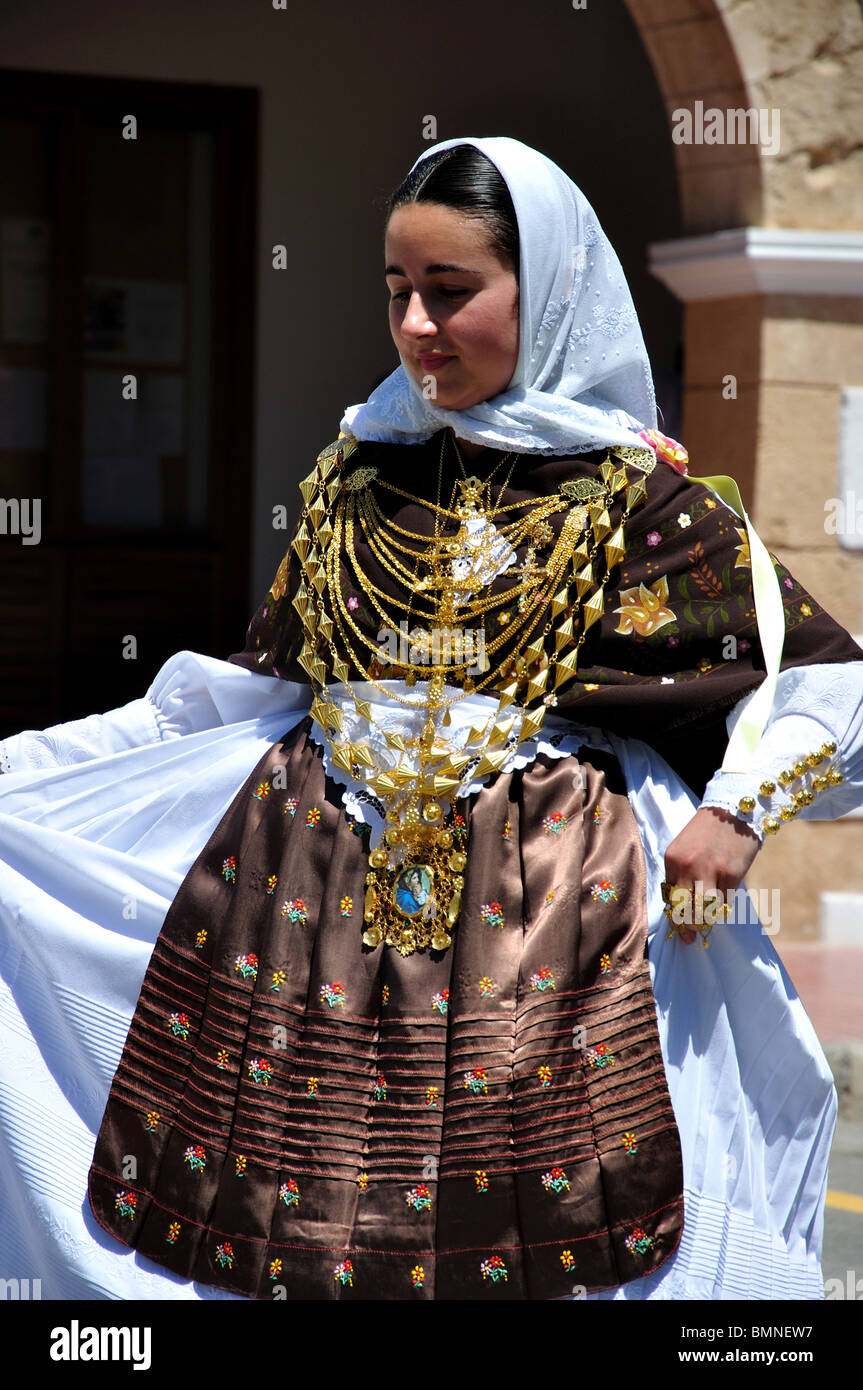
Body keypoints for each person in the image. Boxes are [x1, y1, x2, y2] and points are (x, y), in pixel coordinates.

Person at [1, 136, 861, 1302]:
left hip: (555, 913)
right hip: (303, 903)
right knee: (304, 1216)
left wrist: (737, 811)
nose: (414, 325)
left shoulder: (641, 504)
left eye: (450, 291)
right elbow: (241, 697)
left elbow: (823, 676)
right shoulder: (361, 475)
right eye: (397, 291)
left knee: (531, 1224)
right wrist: (31, 769)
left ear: (544, 290)